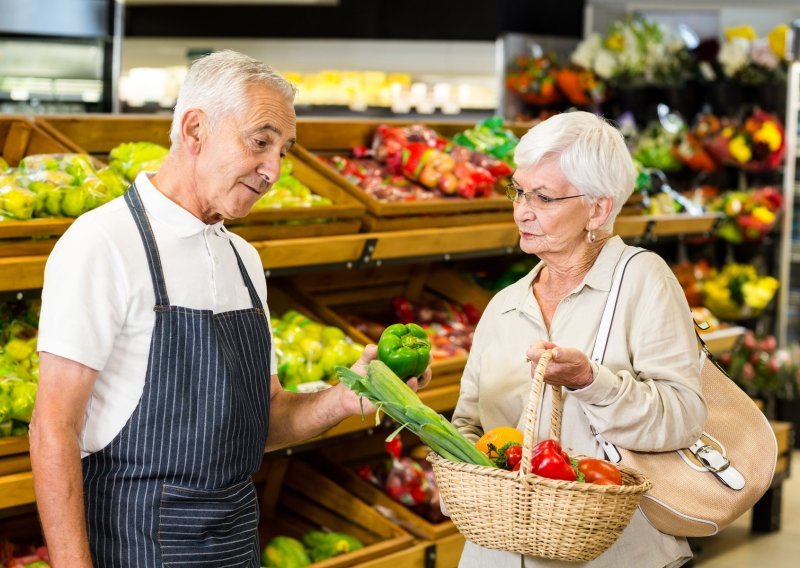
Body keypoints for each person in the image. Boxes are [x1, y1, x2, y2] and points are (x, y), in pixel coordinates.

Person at [29, 50, 430, 568]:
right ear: (194, 129)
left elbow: (263, 420)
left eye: (284, 152)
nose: (274, 171)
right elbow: (52, 428)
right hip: (133, 544)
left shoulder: (243, 258)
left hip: (235, 542)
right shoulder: (102, 243)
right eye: (260, 143)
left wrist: (352, 394)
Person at [450, 111, 706, 568]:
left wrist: (592, 381)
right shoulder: (505, 305)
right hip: (497, 555)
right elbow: (469, 423)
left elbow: (684, 418)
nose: (522, 210)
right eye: (519, 190)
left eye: (544, 197)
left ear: (599, 208)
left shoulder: (643, 281)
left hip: (614, 555)